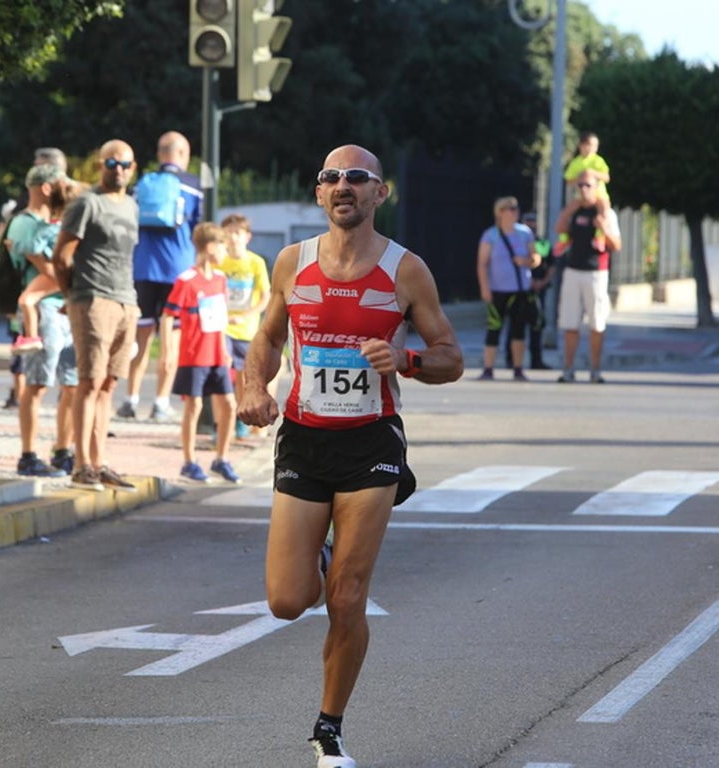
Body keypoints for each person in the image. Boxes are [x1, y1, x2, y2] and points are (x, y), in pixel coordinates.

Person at [237, 145, 464, 768]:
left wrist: (409, 361)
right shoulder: (292, 263)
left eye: (357, 178)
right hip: (305, 441)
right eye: (331, 178)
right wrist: (254, 386)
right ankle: (327, 554)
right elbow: (266, 338)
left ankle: (329, 728)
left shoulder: (404, 270)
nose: (344, 186)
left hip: (372, 441)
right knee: (287, 600)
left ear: (378, 194)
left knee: (346, 596)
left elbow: (451, 355)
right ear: (319, 194)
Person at [52, 139, 141, 492]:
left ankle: (100, 461)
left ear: (133, 168)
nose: (117, 169)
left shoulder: (132, 206)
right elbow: (62, 256)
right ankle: (81, 465)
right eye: (110, 163)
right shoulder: (86, 203)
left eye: (124, 164)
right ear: (100, 166)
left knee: (108, 385)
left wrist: (130, 303)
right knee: (88, 382)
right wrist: (72, 295)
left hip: (126, 301)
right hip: (92, 298)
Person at [117, 130, 204, 423]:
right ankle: (161, 403)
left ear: (160, 154)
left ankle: (130, 399)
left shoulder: (142, 184)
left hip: (142, 269)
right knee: (171, 340)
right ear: (182, 154)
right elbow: (198, 231)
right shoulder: (193, 186)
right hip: (177, 272)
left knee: (141, 337)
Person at [10, 166, 79, 478]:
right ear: (48, 188)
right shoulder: (26, 224)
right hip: (46, 311)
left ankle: (63, 450)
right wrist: (71, 278)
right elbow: (51, 270)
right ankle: (28, 455)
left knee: (73, 385)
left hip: (67, 308)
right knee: (37, 384)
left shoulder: (57, 222)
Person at [165, 222, 240, 483]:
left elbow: (219, 318)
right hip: (193, 355)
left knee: (229, 405)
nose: (225, 251)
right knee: (194, 406)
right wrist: (168, 352)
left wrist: (225, 348)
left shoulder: (220, 281)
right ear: (209, 247)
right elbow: (167, 316)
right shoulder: (186, 281)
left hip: (218, 355)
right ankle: (189, 461)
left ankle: (222, 458)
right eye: (222, 245)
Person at [555, 169, 622, 383]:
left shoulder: (605, 213)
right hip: (573, 270)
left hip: (596, 273)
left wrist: (604, 228)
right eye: (580, 186)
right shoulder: (574, 210)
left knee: (596, 323)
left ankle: (595, 369)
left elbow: (616, 245)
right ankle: (568, 369)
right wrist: (567, 212)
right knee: (570, 323)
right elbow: (559, 229)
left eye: (588, 185)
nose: (583, 190)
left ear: (596, 188)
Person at [475, 196, 540, 381]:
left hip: (520, 290)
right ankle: (488, 368)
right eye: (510, 208)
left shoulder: (524, 233)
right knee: (494, 328)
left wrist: (527, 261)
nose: (514, 212)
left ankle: (518, 368)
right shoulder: (491, 235)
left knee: (519, 329)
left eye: (515, 208)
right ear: (500, 212)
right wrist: (484, 288)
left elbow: (536, 257)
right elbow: (482, 264)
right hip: (497, 290)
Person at [220, 213, 271, 438]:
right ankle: (221, 422)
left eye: (237, 233)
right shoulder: (219, 260)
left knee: (242, 376)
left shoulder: (255, 262)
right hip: (221, 327)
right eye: (228, 233)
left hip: (246, 328)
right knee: (221, 372)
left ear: (247, 236)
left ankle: (241, 419)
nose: (232, 238)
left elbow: (265, 297)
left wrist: (246, 315)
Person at [522, 210, 554, 368]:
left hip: (537, 290)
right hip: (520, 289)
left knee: (537, 325)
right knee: (517, 324)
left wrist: (543, 282)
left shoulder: (542, 243)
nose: (530, 224)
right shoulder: (517, 241)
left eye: (533, 221)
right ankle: (512, 359)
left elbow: (551, 266)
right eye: (527, 220)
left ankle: (537, 360)